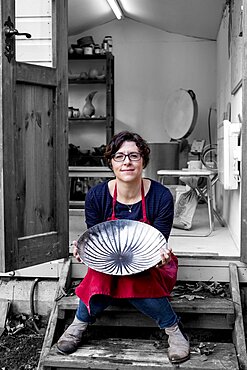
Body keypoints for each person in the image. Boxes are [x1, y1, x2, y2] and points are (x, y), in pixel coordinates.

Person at [57, 131, 190, 364]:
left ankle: (80, 322)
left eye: (133, 155)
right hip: (110, 266)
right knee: (107, 270)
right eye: (119, 156)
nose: (126, 161)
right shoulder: (97, 196)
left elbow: (158, 243)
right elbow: (97, 239)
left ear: (143, 161)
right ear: (111, 162)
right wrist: (84, 247)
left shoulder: (161, 196)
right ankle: (173, 328)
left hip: (151, 266)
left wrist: (161, 256)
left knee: (132, 274)